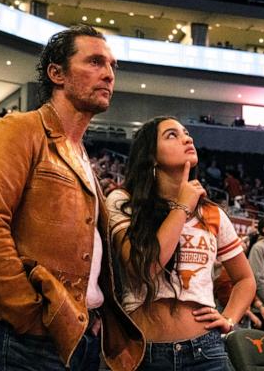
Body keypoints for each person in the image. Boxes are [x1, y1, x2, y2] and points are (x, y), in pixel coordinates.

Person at [0, 25, 144, 371]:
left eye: (113, 66)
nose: (109, 74)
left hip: (78, 338)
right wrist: (29, 314)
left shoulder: (82, 156)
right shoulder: (15, 130)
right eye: (96, 62)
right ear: (57, 73)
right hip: (22, 338)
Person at [106, 116, 255, 370]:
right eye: (172, 135)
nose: (188, 138)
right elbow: (145, 267)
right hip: (145, 353)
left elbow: (245, 280)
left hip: (206, 351)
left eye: (186, 133)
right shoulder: (123, 201)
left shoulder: (212, 213)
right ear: (150, 155)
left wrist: (229, 318)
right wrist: (182, 206)